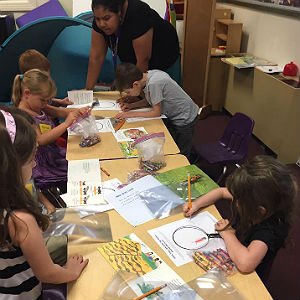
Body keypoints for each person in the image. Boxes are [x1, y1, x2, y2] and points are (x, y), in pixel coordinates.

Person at [0, 109, 88, 299]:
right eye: (31, 160)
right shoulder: (20, 220)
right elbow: (47, 273)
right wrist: (71, 272)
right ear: (10, 167)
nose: (34, 166)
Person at [183, 155, 298, 280]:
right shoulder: (253, 200)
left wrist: (228, 234)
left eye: (238, 200)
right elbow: (220, 192)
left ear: (259, 210)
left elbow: (246, 264)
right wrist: (196, 204)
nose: (234, 200)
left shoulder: (270, 229)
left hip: (248, 275)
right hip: (232, 251)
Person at [12, 69, 84, 194]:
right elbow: (41, 140)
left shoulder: (39, 104)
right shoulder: (23, 115)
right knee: (76, 171)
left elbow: (59, 111)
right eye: (43, 100)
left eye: (48, 100)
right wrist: (66, 123)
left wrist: (80, 110)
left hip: (54, 152)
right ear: (27, 93)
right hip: (44, 163)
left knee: (80, 159)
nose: (46, 104)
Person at [86, 0, 180, 90]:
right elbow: (96, 57)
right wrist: (87, 91)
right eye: (97, 19)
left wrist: (134, 93)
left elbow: (143, 59)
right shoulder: (100, 22)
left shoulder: (138, 13)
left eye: (106, 18)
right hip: (134, 63)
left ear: (119, 12)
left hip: (164, 58)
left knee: (163, 99)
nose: (101, 24)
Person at [114, 63, 199, 159]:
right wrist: (131, 106)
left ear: (136, 84)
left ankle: (187, 164)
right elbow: (150, 100)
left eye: (128, 92)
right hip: (179, 114)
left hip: (184, 118)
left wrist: (130, 114)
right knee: (174, 143)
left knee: (181, 152)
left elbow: (156, 112)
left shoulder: (154, 84)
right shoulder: (150, 75)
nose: (128, 94)